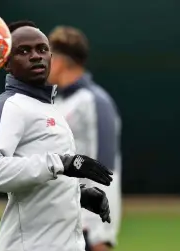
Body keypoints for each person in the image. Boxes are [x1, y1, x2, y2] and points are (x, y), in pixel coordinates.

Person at [0, 20, 113, 251]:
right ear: (6, 63)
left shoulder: (50, 108)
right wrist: (62, 163)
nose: (36, 56)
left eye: (42, 49)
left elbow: (44, 176)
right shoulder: (9, 106)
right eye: (24, 51)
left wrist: (78, 194)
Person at [48, 26, 123, 251]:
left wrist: (101, 233)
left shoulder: (95, 102)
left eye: (47, 56)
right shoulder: (56, 101)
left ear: (60, 61)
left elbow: (107, 170)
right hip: (55, 223)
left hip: (85, 229)